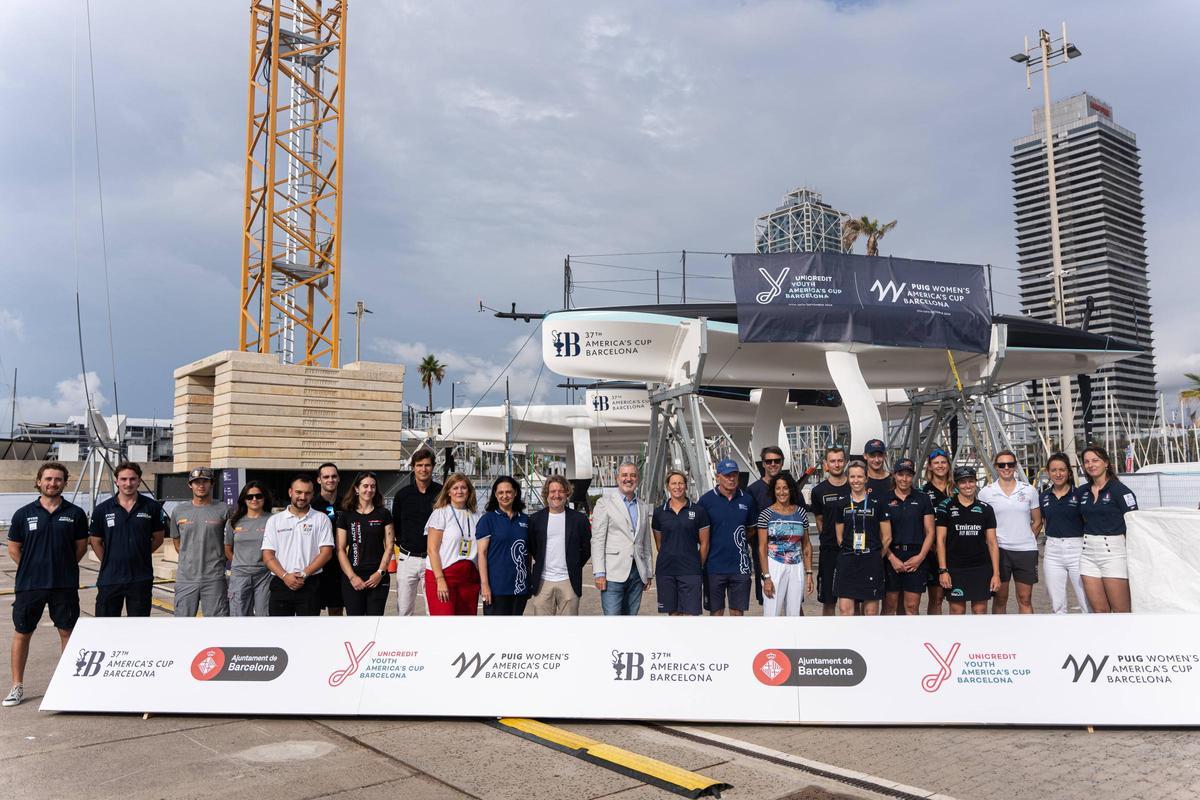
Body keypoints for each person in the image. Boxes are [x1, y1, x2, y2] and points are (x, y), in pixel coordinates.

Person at [5, 462, 89, 708]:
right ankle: (16, 686)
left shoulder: (75, 514)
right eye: (48, 479)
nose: (53, 483)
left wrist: (61, 566)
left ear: (65, 482)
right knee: (23, 632)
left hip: (64, 584)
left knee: (67, 632)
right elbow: (13, 548)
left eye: (58, 479)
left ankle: (68, 684)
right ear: (39, 481)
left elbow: (80, 547)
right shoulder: (23, 514)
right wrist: (33, 566)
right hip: (30, 585)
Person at [89, 462, 167, 617]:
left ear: (139, 481)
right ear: (116, 481)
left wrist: (141, 552)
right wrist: (109, 561)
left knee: (138, 627)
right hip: (110, 578)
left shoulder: (152, 507)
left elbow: (158, 538)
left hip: (140, 577)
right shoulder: (102, 510)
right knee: (106, 626)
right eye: (123, 479)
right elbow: (95, 541)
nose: (128, 483)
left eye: (132, 479)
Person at [977, 450, 1041, 614]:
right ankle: (1000, 636)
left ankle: (1028, 635)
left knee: (1025, 599)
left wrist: (1025, 537)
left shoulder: (1029, 490)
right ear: (996, 467)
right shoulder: (986, 492)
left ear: (1015, 466)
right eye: (1001, 465)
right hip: (1000, 551)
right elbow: (982, 524)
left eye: (1010, 464)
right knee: (1000, 598)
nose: (1006, 468)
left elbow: (1038, 521)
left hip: (1026, 551)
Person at [261, 475, 334, 616]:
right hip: (281, 582)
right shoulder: (275, 520)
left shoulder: (321, 519)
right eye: (298, 492)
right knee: (279, 633)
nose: (302, 497)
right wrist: (285, 576)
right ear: (290, 492)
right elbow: (267, 555)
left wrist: (304, 573)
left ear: (312, 494)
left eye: (307, 493)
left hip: (310, 584)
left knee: (308, 634)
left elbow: (326, 553)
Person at [1078, 445, 1138, 613]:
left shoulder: (1121, 491)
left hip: (1114, 553)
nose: (1091, 465)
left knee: (1121, 611)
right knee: (1099, 612)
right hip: (1088, 554)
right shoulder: (1082, 492)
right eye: (1087, 462)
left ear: (1106, 463)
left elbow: (1134, 525)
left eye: (1095, 460)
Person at [591, 462, 653, 616]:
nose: (628, 479)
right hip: (612, 574)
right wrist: (599, 572)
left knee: (631, 620)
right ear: (618, 478)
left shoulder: (643, 506)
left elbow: (645, 543)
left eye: (632, 475)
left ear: (637, 479)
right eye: (624, 475)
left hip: (637, 573)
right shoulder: (604, 503)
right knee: (613, 621)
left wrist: (648, 572)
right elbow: (597, 540)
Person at [698, 458, 759, 617]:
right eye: (727, 475)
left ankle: (737, 642)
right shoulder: (705, 501)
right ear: (718, 477)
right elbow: (699, 533)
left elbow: (752, 529)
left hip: (740, 567)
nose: (731, 479)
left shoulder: (747, 499)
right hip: (713, 567)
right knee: (716, 613)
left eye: (734, 475)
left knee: (737, 613)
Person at [936, 466, 1000, 615]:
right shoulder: (945, 506)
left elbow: (992, 542)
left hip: (980, 567)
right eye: (963, 482)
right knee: (957, 611)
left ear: (975, 482)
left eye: (971, 481)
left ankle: (978, 639)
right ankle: (958, 639)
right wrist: (943, 570)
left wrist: (996, 573)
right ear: (956, 485)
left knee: (980, 610)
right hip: (955, 568)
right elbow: (940, 540)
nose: (967, 485)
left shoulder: (985, 509)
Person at [170, 467, 231, 617]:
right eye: (196, 482)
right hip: (186, 578)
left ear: (212, 484)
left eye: (205, 482)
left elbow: (229, 542)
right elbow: (177, 543)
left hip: (214, 578)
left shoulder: (224, 510)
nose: (201, 485)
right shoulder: (178, 511)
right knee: (183, 623)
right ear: (190, 485)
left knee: (216, 624)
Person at [528, 476, 591, 615]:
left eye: (561, 491)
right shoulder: (535, 520)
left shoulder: (579, 520)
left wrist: (574, 564)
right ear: (547, 494)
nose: (556, 495)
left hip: (569, 581)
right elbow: (532, 547)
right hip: (543, 582)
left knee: (568, 630)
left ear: (567, 493)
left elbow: (586, 548)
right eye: (553, 491)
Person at [880, 458, 935, 616]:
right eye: (900, 474)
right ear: (894, 475)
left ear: (913, 476)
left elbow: (930, 532)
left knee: (911, 607)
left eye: (908, 475)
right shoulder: (885, 500)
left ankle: (912, 640)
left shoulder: (922, 498)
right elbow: (881, 534)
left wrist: (920, 557)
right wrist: (891, 558)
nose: (904, 479)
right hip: (891, 556)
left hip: (916, 555)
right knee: (889, 607)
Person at [651, 470, 710, 616]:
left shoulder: (698, 511)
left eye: (680, 483)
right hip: (666, 570)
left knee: (690, 615)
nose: (677, 487)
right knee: (673, 614)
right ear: (668, 486)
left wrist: (696, 564)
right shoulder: (659, 513)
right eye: (673, 483)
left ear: (686, 485)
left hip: (690, 571)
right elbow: (660, 544)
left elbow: (704, 544)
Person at [335, 472, 394, 616]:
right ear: (356, 489)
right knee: (356, 622)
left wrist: (380, 573)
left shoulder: (384, 514)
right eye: (365, 486)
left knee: (375, 623)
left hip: (377, 578)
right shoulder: (346, 515)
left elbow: (390, 546)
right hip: (353, 578)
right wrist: (352, 577)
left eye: (373, 487)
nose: (369, 490)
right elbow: (340, 549)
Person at [391, 449, 441, 615]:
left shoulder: (442, 494)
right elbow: (395, 524)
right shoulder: (402, 495)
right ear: (413, 467)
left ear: (433, 467)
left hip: (434, 560)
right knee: (404, 610)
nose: (423, 469)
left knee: (433, 610)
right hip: (408, 558)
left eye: (427, 465)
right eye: (419, 465)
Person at [833, 462, 887, 615]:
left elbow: (887, 537)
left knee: (870, 613)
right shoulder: (841, 503)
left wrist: (874, 555)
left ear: (866, 478)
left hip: (871, 561)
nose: (856, 480)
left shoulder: (877, 503)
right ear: (848, 478)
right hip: (848, 560)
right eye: (852, 476)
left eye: (859, 476)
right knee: (845, 611)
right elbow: (839, 537)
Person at [425, 473, 482, 615]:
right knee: (445, 623)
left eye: (463, 487)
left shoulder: (476, 515)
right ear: (448, 492)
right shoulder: (441, 514)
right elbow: (432, 550)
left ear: (469, 491)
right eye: (455, 488)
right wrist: (440, 580)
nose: (459, 491)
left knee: (465, 626)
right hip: (444, 575)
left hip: (469, 578)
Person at [756, 473, 813, 616]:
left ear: (791, 490)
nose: (781, 492)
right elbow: (762, 548)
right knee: (772, 613)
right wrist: (766, 577)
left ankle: (792, 639)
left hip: (797, 566)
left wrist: (809, 572)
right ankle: (770, 639)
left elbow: (806, 545)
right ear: (773, 491)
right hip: (774, 566)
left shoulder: (801, 513)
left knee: (794, 614)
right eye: (778, 488)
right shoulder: (766, 514)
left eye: (785, 488)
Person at [1039, 453, 1089, 614]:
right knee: (1057, 604)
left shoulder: (1080, 494)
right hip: (1053, 551)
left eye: (1062, 470)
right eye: (1054, 470)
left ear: (1068, 472)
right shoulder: (1044, 496)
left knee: (1086, 601)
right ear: (1048, 472)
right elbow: (1043, 521)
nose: (1058, 474)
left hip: (1077, 549)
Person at [477, 476, 531, 616]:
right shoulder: (487, 519)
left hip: (519, 588)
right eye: (500, 492)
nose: (504, 496)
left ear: (515, 493)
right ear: (495, 494)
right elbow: (481, 554)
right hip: (496, 588)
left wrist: (528, 580)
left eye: (508, 492)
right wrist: (484, 585)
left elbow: (528, 554)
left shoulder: (525, 520)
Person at [810, 446, 850, 617]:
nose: (837, 464)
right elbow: (819, 519)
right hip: (829, 550)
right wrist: (826, 537)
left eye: (840, 460)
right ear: (826, 464)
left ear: (845, 462)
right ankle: (830, 636)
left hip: (852, 550)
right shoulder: (818, 491)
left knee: (854, 598)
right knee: (829, 600)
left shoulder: (855, 485)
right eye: (833, 461)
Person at [224, 481, 273, 617]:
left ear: (264, 497)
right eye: (250, 497)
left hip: (265, 575)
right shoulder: (233, 522)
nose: (254, 499)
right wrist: (240, 563)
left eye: (258, 496)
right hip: (240, 576)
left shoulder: (273, 520)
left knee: (265, 615)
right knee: (238, 615)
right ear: (244, 500)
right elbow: (227, 549)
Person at [920, 448, 953, 615]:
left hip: (956, 550)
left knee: (957, 599)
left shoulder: (959, 487)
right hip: (934, 551)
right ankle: (934, 635)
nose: (940, 466)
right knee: (936, 598)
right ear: (930, 467)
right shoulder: (924, 492)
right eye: (936, 463)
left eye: (943, 462)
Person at [311, 462, 344, 617]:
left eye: (333, 476)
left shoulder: (347, 504)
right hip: (316, 564)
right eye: (326, 477)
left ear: (339, 479)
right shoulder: (311, 505)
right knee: (312, 610)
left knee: (336, 609)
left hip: (340, 565)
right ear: (319, 480)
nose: (330, 480)